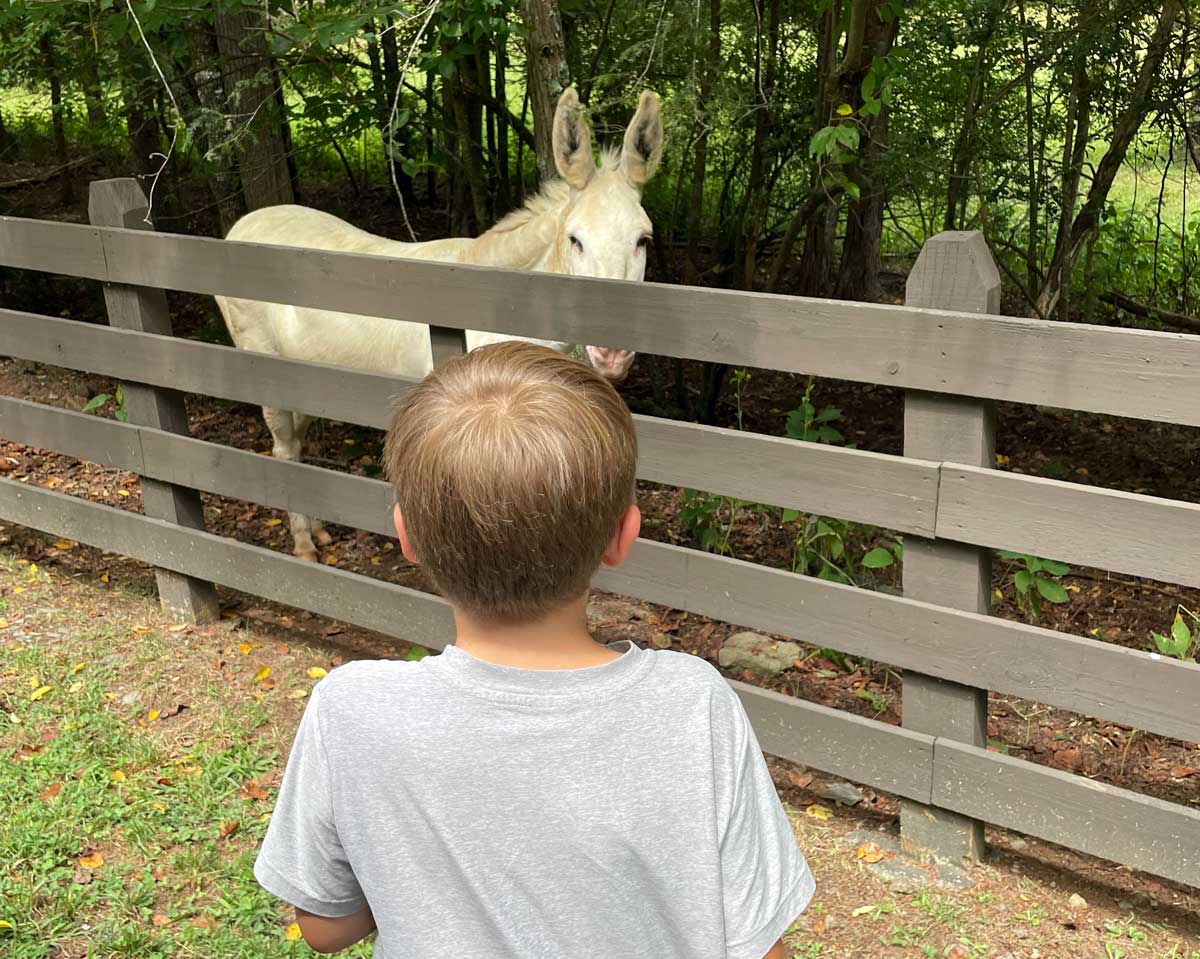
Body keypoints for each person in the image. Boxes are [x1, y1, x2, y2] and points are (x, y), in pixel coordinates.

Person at [253, 341, 814, 958]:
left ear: (406, 535)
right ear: (623, 536)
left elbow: (327, 928)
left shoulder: (351, 710)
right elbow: (760, 947)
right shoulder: (691, 703)